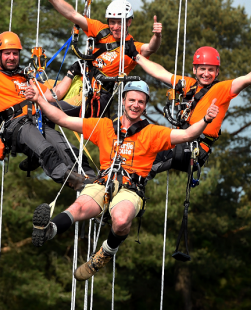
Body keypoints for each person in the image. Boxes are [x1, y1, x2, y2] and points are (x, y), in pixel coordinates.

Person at [26, 80, 219, 281]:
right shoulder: (105, 126)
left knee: (120, 219)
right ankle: (50, 229)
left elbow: (188, 134)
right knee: (79, 207)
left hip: (131, 190)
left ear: (145, 106)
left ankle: (105, 253)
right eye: (132, 100)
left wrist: (205, 119)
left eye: (141, 102)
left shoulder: (153, 133)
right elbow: (63, 119)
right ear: (123, 101)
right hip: (103, 184)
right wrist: (40, 99)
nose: (136, 105)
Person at [0, 21, 95, 189]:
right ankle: (70, 178)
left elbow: (53, 96)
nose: (11, 57)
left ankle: (93, 179)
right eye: (7, 53)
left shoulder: (27, 78)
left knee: (65, 147)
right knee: (45, 149)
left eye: (15, 53)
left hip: (37, 122)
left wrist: (71, 73)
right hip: (17, 125)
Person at [123, 42, 251, 179]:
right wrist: (137, 57)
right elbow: (159, 72)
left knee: (144, 163)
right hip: (179, 142)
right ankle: (127, 180)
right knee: (137, 148)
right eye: (202, 69)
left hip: (194, 148)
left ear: (217, 72)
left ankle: (133, 181)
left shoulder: (222, 89)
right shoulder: (187, 85)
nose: (206, 73)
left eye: (210, 70)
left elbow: (246, 79)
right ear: (194, 69)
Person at [35, 0, 163, 117]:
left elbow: (150, 48)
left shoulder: (131, 47)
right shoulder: (101, 30)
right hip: (76, 81)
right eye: (112, 22)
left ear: (129, 22)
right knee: (30, 91)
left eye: (120, 23)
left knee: (46, 109)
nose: (115, 27)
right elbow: (72, 14)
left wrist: (157, 36)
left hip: (93, 96)